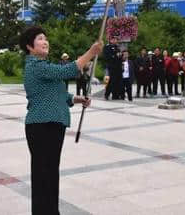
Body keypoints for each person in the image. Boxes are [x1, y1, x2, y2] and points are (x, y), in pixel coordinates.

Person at [20, 25, 102, 215]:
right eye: (40, 38)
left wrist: (76, 99)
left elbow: (58, 93)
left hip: (51, 125)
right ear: (29, 46)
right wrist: (91, 52)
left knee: (50, 173)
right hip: (42, 126)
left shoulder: (44, 66)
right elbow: (66, 71)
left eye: (45, 38)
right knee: (43, 174)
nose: (45, 41)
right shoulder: (35, 65)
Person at [103, 36, 122, 100]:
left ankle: (115, 95)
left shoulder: (117, 47)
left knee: (117, 81)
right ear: (111, 40)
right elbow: (106, 57)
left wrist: (120, 56)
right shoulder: (107, 47)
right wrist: (114, 56)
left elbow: (119, 56)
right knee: (111, 81)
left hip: (118, 67)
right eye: (114, 39)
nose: (115, 40)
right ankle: (107, 94)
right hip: (111, 66)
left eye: (116, 39)